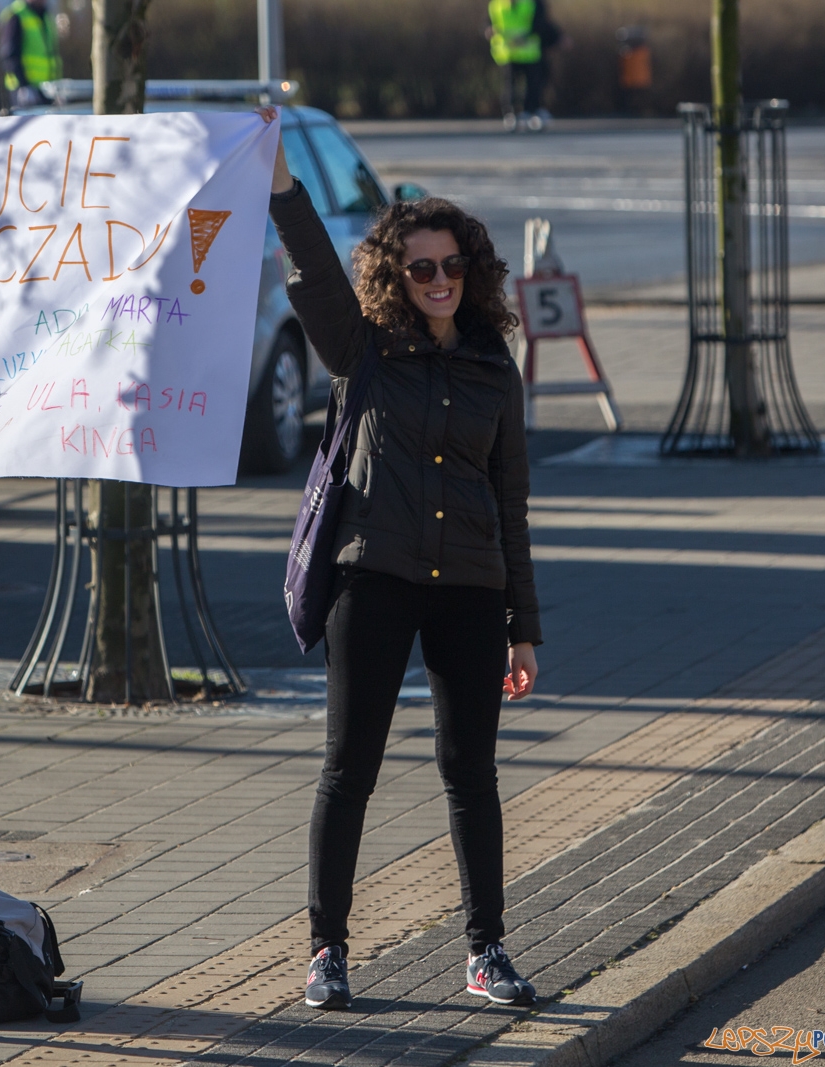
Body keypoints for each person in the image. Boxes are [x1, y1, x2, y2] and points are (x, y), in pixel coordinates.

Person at [259, 106, 542, 1009]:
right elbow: (307, 269)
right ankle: (328, 950)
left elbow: (512, 503)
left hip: (468, 589)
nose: (438, 280)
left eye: (452, 265)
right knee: (351, 768)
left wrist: (523, 629)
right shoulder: (365, 351)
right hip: (371, 581)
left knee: (473, 774)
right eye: (420, 267)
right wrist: (280, 182)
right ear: (395, 271)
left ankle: (486, 950)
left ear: (473, 270)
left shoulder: (496, 368)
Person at [487, 0, 561, 132]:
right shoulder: (496, 4)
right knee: (510, 85)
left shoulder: (532, 3)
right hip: (508, 52)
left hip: (528, 52)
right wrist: (488, 30)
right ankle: (511, 114)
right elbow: (488, 22)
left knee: (532, 85)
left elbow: (541, 24)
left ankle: (530, 112)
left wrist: (556, 37)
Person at [0, 0, 61, 109]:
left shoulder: (45, 15)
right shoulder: (16, 14)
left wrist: (57, 87)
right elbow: (10, 55)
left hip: (47, 89)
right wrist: (24, 86)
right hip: (24, 90)